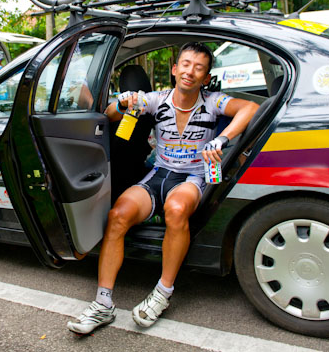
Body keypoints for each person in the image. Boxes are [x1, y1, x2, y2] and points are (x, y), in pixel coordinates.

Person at [67, 42, 259, 334]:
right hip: (158, 173)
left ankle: (162, 294)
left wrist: (222, 139)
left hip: (193, 177)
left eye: (198, 68)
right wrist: (122, 102)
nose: (190, 72)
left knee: (177, 208)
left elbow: (251, 107)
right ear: (174, 69)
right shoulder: (156, 99)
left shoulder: (213, 101)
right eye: (185, 64)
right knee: (118, 214)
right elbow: (109, 115)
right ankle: (103, 304)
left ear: (206, 77)